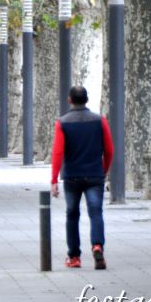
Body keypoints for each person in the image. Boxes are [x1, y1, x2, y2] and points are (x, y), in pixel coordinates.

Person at [50, 86, 114, 270]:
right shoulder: (99, 121)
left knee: (72, 214)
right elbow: (109, 149)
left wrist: (54, 179)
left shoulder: (62, 123)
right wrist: (104, 170)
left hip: (72, 176)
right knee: (96, 212)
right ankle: (97, 245)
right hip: (95, 174)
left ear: (70, 99)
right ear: (87, 99)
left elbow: (58, 152)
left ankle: (74, 257)